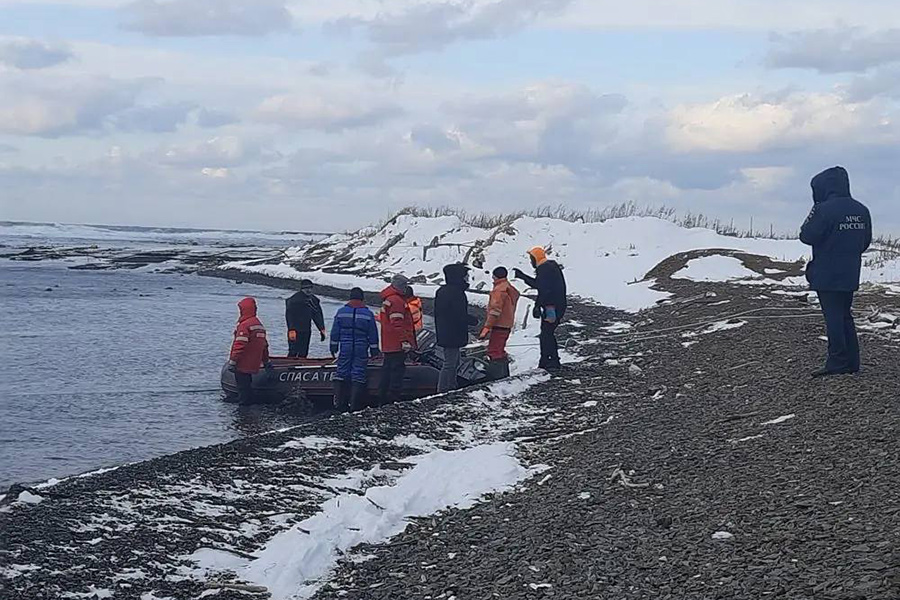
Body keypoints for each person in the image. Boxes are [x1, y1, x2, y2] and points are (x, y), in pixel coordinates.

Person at [800, 166, 872, 377]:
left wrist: (815, 209)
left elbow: (807, 235)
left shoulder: (823, 209)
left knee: (833, 317)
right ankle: (852, 361)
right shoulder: (861, 209)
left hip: (827, 272)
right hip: (850, 271)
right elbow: (864, 242)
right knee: (844, 315)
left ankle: (837, 361)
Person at [513, 247, 567, 371]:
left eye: (531, 259)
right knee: (546, 333)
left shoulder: (544, 269)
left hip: (551, 307)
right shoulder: (550, 267)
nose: (530, 262)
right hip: (556, 305)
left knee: (546, 334)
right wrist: (523, 277)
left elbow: (543, 289)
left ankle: (552, 362)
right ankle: (547, 361)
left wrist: (537, 306)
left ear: (534, 258)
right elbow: (540, 285)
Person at [330, 287, 380, 412]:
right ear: (362, 298)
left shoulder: (341, 312)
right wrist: (375, 350)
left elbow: (335, 331)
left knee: (341, 372)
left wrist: (333, 345)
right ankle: (355, 405)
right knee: (358, 373)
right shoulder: (367, 314)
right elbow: (373, 333)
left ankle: (340, 404)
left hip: (345, 346)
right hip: (361, 347)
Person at [434, 263, 479, 392]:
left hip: (447, 332)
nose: (467, 278)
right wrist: (472, 320)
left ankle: (451, 387)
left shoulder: (443, 291)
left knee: (454, 362)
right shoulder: (455, 293)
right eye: (466, 276)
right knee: (449, 364)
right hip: (452, 333)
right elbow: (458, 314)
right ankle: (443, 389)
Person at [378, 275, 416, 405]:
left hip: (388, 342)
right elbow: (397, 323)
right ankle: (392, 399)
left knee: (387, 370)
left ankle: (382, 398)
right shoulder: (397, 301)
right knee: (396, 371)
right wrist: (405, 340)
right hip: (396, 344)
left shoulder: (389, 299)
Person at [227, 297, 271, 404]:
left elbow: (239, 345)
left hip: (243, 361)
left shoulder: (245, 325)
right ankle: (246, 401)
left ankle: (244, 406)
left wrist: (232, 361)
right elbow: (264, 345)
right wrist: (266, 362)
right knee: (247, 383)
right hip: (253, 362)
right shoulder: (259, 325)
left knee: (243, 384)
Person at [479, 267, 520, 379]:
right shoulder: (509, 288)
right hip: (507, 324)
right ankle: (505, 374)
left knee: (494, 351)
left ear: (494, 276)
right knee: (500, 350)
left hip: (499, 325)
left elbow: (494, 311)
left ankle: (496, 377)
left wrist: (486, 328)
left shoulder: (498, 290)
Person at [285, 279, 326, 358]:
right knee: (293, 351)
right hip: (295, 330)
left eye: (310, 288)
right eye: (306, 288)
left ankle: (301, 366)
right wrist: (291, 329)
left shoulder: (314, 300)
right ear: (302, 289)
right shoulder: (294, 300)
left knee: (304, 352)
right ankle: (288, 367)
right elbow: (289, 316)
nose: (309, 290)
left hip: (306, 330)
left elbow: (317, 315)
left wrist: (321, 328)